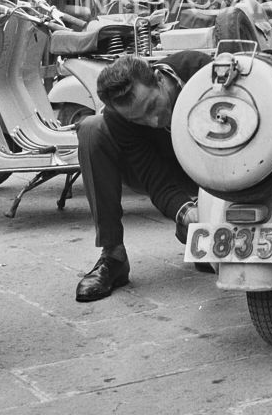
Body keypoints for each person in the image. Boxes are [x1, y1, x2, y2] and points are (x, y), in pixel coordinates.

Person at [74, 52, 210, 301]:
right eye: (139, 119)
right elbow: (154, 179)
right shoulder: (119, 116)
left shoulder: (200, 70)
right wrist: (186, 212)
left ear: (158, 79)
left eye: (150, 106)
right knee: (92, 129)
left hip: (218, 164)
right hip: (168, 168)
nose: (154, 120)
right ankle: (112, 255)